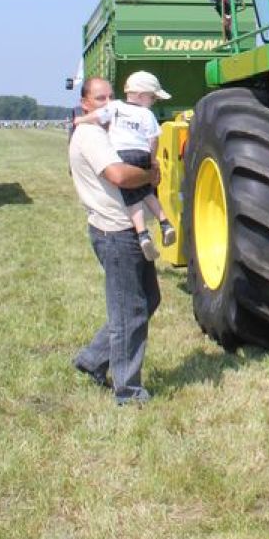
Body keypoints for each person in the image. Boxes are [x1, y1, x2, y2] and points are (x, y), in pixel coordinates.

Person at [69, 76, 161, 405]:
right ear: (85, 104)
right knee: (129, 310)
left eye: (111, 97)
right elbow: (120, 175)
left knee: (148, 299)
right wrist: (151, 174)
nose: (107, 103)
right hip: (115, 232)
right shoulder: (91, 135)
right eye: (99, 98)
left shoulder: (110, 131)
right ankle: (129, 391)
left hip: (125, 230)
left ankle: (93, 359)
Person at [73, 70, 176, 262]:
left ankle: (142, 234)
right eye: (152, 97)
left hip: (123, 154)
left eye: (110, 96)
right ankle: (165, 222)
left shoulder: (116, 107)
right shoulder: (146, 114)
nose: (153, 101)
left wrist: (80, 119)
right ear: (140, 95)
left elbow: (96, 116)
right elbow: (153, 139)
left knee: (132, 197)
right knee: (147, 192)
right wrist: (152, 161)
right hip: (142, 153)